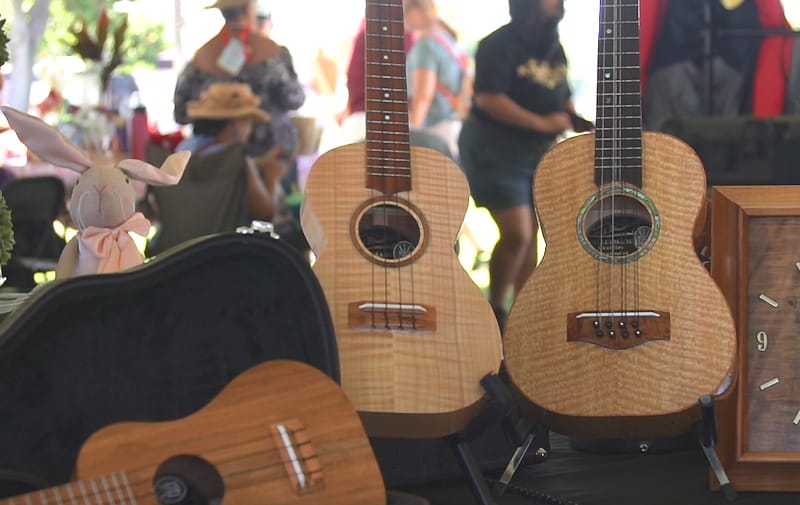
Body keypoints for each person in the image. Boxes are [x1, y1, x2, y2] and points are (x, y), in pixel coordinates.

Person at [457, 0, 591, 326]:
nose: (558, 3)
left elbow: (562, 95)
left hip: (537, 154)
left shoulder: (554, 47)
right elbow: (489, 99)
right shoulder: (497, 44)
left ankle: (522, 316)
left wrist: (574, 119)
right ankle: (495, 309)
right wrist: (543, 124)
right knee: (517, 233)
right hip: (494, 150)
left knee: (532, 237)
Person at [173, 0, 305, 164]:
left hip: (218, 162)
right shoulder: (274, 53)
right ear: (250, 9)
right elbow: (295, 99)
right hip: (272, 155)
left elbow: (180, 113)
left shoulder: (199, 59)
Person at [176, 82, 287, 224]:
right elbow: (264, 214)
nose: (249, 129)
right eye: (248, 122)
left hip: (183, 236)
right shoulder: (236, 159)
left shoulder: (183, 149)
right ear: (236, 124)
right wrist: (271, 176)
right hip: (223, 241)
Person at [403, 0, 469, 159]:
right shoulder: (450, 42)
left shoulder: (425, 46)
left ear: (416, 12)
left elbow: (423, 94)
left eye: (404, 11)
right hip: (453, 124)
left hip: (433, 130)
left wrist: (413, 133)